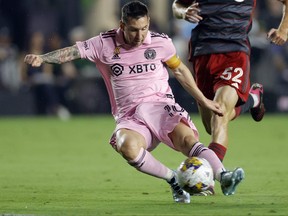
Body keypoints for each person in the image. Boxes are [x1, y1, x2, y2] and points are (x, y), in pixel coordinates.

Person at [24, 1, 245, 203]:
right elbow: (72, 52)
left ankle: (223, 175)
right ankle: (175, 181)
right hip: (130, 115)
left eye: (144, 28)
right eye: (133, 30)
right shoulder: (104, 43)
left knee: (187, 140)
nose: (140, 35)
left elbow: (180, 71)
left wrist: (203, 100)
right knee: (126, 146)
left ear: (148, 23)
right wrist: (42, 58)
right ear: (122, 25)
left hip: (161, 107)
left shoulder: (161, 43)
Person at [172, 0, 288, 163]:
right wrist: (184, 12)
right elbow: (177, 5)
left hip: (234, 52)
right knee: (210, 124)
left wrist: (284, 29)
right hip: (202, 54)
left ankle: (210, 172)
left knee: (219, 114)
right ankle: (253, 99)